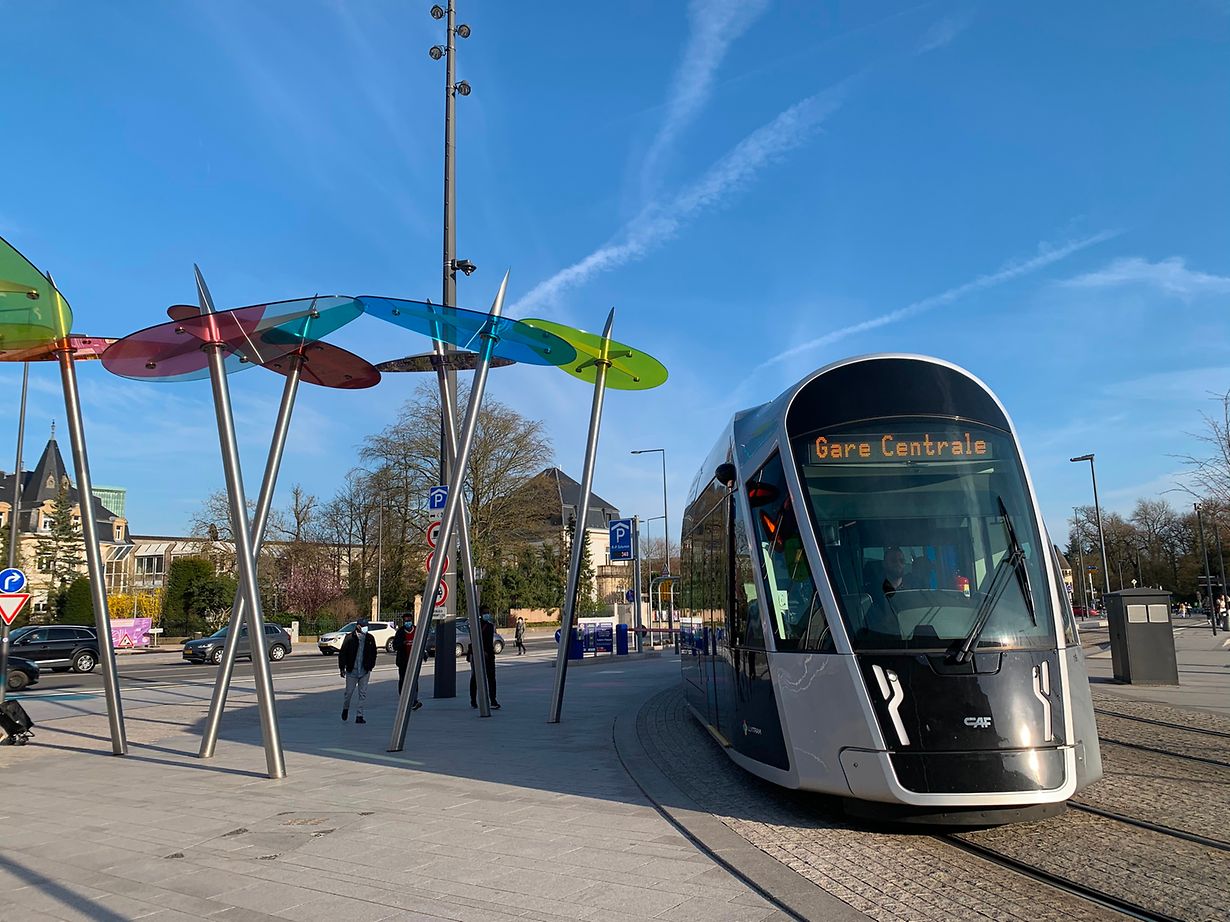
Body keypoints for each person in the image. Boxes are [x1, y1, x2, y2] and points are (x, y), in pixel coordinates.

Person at [339, 617, 378, 724]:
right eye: (364, 626)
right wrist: (342, 668)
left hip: (364, 670)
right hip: (352, 670)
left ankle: (359, 715)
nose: (366, 628)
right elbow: (343, 653)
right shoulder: (350, 638)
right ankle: (345, 708)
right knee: (348, 693)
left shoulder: (370, 638)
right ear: (358, 626)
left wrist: (370, 665)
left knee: (362, 694)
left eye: (367, 626)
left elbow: (374, 653)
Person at [469, 606, 500, 710]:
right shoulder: (476, 626)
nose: (487, 614)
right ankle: (474, 700)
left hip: (488, 655)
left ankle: (492, 700)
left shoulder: (489, 626)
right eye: (485, 613)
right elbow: (474, 640)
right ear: (480, 614)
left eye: (488, 612)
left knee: (490, 678)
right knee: (476, 678)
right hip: (480, 654)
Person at [391, 616, 423, 711]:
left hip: (414, 660)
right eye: (405, 621)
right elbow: (395, 646)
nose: (407, 623)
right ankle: (403, 700)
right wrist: (403, 643)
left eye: (409, 621)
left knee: (414, 680)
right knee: (403, 680)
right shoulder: (400, 632)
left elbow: (422, 642)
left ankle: (414, 700)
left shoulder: (417, 630)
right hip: (403, 661)